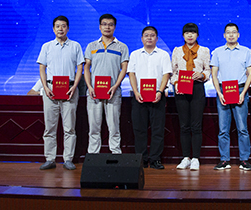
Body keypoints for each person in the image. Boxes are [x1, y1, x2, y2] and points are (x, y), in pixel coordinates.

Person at [37, 15, 84, 170]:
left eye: (63, 26)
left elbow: (80, 68)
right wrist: (45, 87)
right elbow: (42, 68)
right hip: (50, 91)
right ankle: (50, 159)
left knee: (69, 127)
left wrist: (74, 86)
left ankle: (68, 159)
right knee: (50, 127)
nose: (60, 29)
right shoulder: (47, 46)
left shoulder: (75, 46)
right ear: (53, 29)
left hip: (70, 90)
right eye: (57, 26)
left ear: (68, 28)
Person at [83, 14, 130, 155]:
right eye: (104, 24)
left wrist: (115, 86)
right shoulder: (91, 46)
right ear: (99, 27)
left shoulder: (122, 47)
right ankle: (93, 155)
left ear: (114, 27)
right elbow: (86, 67)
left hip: (113, 93)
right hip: (94, 93)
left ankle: (116, 154)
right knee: (94, 127)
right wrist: (89, 87)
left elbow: (124, 68)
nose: (107, 27)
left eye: (110, 24)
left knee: (114, 126)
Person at [211, 23, 251, 171]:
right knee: (223, 129)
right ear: (224, 35)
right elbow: (214, 75)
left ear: (238, 35)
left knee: (242, 128)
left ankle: (244, 160)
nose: (231, 35)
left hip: (240, 90)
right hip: (223, 91)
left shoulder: (246, 52)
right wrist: (219, 93)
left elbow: (250, 74)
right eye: (228, 32)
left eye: (234, 32)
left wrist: (243, 93)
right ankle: (224, 160)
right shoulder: (217, 52)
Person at [127, 26, 172, 169]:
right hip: (139, 96)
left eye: (152, 35)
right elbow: (131, 74)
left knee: (158, 130)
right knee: (139, 129)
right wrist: (136, 92)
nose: (149, 38)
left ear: (157, 38)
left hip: (157, 96)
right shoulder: (135, 54)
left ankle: (155, 159)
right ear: (142, 38)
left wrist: (160, 91)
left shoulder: (163, 54)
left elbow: (166, 74)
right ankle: (141, 159)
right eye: (146, 35)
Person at [171, 22, 211, 171]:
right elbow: (173, 72)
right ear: (183, 35)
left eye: (193, 32)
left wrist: (201, 75)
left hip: (197, 88)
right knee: (184, 125)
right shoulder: (177, 51)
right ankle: (186, 157)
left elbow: (208, 70)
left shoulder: (204, 51)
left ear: (197, 35)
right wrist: (176, 83)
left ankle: (196, 158)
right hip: (181, 88)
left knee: (196, 125)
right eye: (187, 32)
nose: (190, 35)